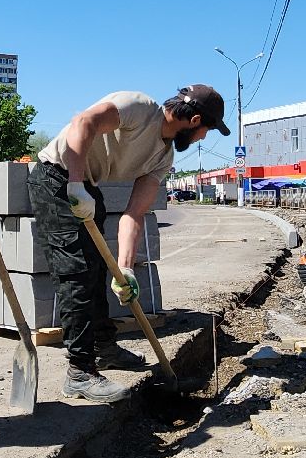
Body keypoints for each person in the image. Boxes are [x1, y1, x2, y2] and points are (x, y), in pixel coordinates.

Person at [29, 86, 226, 403]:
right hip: (56, 176)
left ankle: (103, 348)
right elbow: (83, 123)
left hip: (86, 184)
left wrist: (125, 269)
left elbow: (134, 214)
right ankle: (79, 373)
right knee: (76, 274)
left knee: (96, 273)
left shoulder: (163, 157)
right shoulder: (137, 107)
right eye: (206, 130)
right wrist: (75, 184)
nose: (203, 138)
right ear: (196, 120)